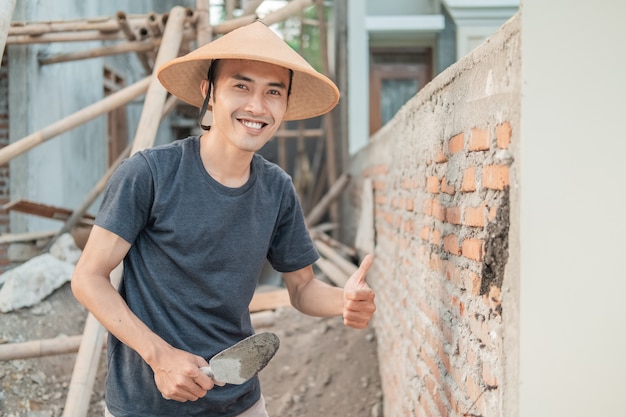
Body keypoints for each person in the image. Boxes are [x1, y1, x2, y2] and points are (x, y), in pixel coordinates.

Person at [71, 20, 376, 417]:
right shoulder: (150, 174)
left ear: (285, 105)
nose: (257, 106)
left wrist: (344, 301)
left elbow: (302, 289)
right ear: (209, 93)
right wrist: (159, 356)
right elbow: (88, 278)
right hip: (145, 405)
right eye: (241, 86)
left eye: (273, 92)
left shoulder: (277, 189)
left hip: (239, 402)